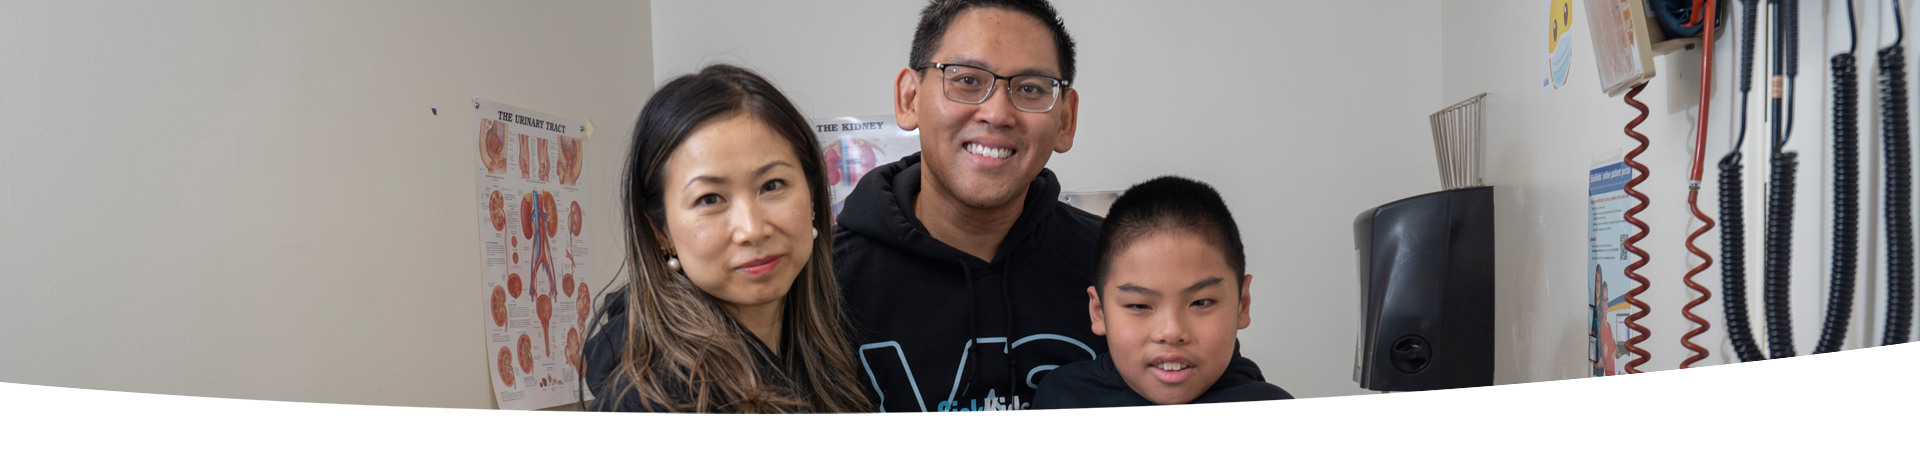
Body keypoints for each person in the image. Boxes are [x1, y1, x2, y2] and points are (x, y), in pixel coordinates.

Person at [833, 0, 1101, 414]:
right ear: (909, 98)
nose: (997, 114)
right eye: (967, 80)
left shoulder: (1117, 267)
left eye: (1030, 88)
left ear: (1065, 119)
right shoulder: (821, 282)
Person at [581, 64, 873, 414]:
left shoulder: (827, 348)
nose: (752, 229)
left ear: (812, 195)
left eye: (772, 186)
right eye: (709, 199)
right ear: (660, 230)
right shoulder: (650, 403)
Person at [1031, 176, 1304, 412]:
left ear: (1242, 305)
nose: (1171, 332)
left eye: (1201, 302)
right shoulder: (1062, 399)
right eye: (1139, 306)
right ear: (1099, 311)